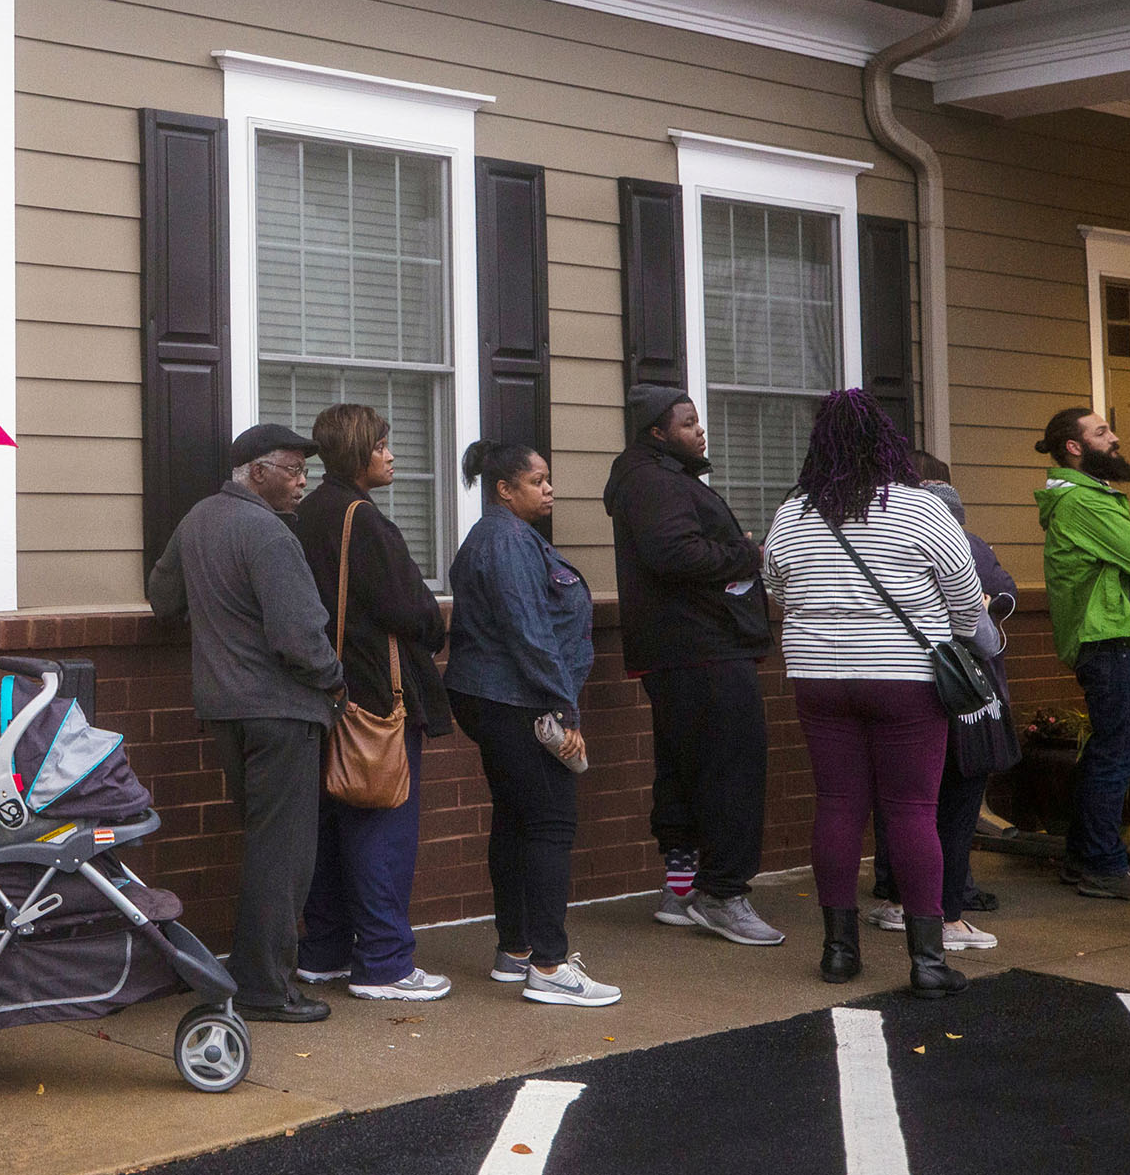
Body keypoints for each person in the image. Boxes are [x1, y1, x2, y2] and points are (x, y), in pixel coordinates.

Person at [763, 389, 976, 999]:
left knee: (837, 806)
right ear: (889, 444)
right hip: (906, 680)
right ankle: (928, 961)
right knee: (911, 811)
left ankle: (837, 952)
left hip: (819, 678)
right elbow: (962, 597)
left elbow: (775, 585)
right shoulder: (921, 508)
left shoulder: (792, 513)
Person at [147, 422, 344, 1024]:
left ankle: (250, 974)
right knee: (283, 856)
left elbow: (164, 599)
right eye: (293, 470)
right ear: (257, 472)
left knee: (265, 846)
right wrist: (334, 678)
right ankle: (265, 987)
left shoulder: (198, 520)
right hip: (281, 712)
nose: (302, 482)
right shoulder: (269, 533)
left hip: (224, 711)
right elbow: (298, 637)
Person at [601, 385, 782, 946]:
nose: (699, 430)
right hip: (702, 649)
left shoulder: (652, 477)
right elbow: (674, 554)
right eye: (687, 422)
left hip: (682, 651)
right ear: (657, 431)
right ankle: (723, 893)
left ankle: (681, 889)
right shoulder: (655, 482)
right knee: (733, 769)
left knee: (686, 767)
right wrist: (746, 554)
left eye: (697, 421)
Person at [290, 403, 452, 1002]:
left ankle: (324, 953)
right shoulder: (365, 520)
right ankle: (384, 962)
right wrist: (433, 625)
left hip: (318, 694)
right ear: (360, 452)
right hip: (374, 700)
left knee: (330, 827)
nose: (392, 455)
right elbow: (412, 611)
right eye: (383, 445)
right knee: (381, 825)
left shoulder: (304, 517)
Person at [444, 440, 614, 1008]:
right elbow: (529, 631)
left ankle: (514, 952)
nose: (549, 489)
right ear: (504, 489)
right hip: (519, 700)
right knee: (550, 824)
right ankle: (548, 964)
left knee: (517, 819)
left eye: (548, 479)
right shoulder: (510, 541)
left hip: (492, 698)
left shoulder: (496, 537)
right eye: (537, 480)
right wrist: (564, 710)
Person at [864, 452, 1010, 952]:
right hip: (954, 692)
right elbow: (986, 614)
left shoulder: (874, 541)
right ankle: (946, 916)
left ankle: (899, 900)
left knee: (903, 803)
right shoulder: (961, 542)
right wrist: (986, 627)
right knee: (954, 805)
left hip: (884, 689)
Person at [1034, 406, 1130, 902]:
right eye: (1102, 432)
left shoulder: (1089, 498)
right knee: (1117, 756)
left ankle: (1084, 857)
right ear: (1075, 448)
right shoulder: (1083, 504)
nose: (1115, 438)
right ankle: (1102, 865)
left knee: (1109, 753)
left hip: (1115, 642)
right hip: (1114, 644)